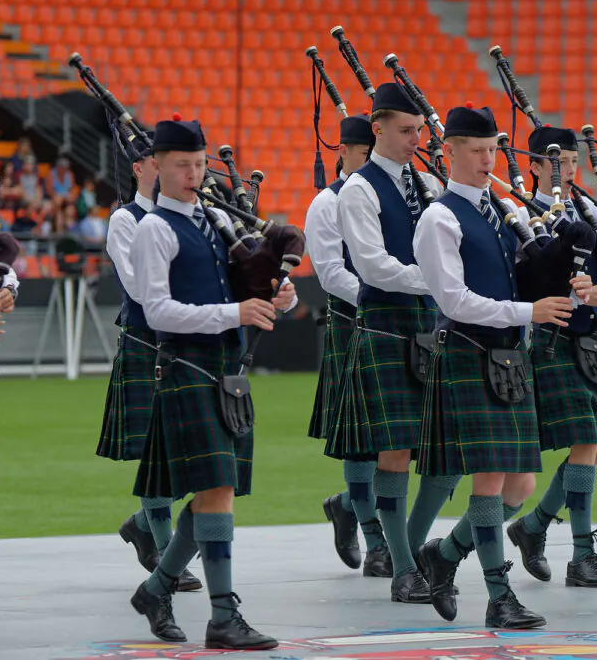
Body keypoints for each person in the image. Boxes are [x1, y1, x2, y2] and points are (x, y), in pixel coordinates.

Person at [128, 116, 296, 650]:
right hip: (186, 368)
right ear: (157, 166)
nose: (194, 174)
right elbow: (156, 311)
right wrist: (233, 312)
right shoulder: (155, 228)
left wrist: (275, 300)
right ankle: (222, 616)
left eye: (200, 164)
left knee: (213, 491)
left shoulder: (215, 221)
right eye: (182, 165)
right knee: (217, 489)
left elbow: (246, 292)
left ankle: (157, 589)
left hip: (226, 373)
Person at [413, 104, 583, 628]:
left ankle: (443, 556)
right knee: (488, 482)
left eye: (493, 150)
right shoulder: (439, 217)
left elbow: (521, 276)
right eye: (477, 150)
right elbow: (454, 300)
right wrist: (526, 311)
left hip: (511, 357)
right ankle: (498, 595)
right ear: (450, 152)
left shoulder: (505, 209)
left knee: (520, 487)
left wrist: (562, 284)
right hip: (469, 352)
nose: (488, 159)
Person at [325, 83, 451, 605]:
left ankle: (413, 549)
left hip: (433, 326)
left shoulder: (428, 184)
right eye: (404, 131)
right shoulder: (358, 188)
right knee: (395, 452)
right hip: (385, 325)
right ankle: (403, 569)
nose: (413, 140)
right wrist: (441, 281)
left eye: (418, 131)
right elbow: (371, 263)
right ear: (376, 129)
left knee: (447, 456)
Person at [508, 125, 597, 588]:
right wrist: (580, 295)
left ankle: (532, 527)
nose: (570, 170)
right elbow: (530, 281)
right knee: (584, 445)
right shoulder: (522, 213)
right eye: (558, 163)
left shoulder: (590, 210)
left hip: (594, 342)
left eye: (573, 161)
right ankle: (581, 556)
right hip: (553, 338)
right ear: (534, 166)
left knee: (593, 453)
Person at [98, 134, 201, 593]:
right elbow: (140, 289)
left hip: (189, 342)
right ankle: (162, 550)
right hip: (147, 339)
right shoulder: (126, 219)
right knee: (156, 451)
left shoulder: (195, 216)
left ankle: (144, 522)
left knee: (185, 452)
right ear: (139, 168)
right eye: (155, 162)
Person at [303, 114, 390, 576]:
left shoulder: (391, 193)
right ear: (343, 152)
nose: (368, 161)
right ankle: (377, 541)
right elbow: (331, 274)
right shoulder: (327, 203)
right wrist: (377, 296)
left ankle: (347, 506)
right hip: (354, 322)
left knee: (396, 440)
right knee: (362, 442)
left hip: (395, 324)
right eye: (361, 153)